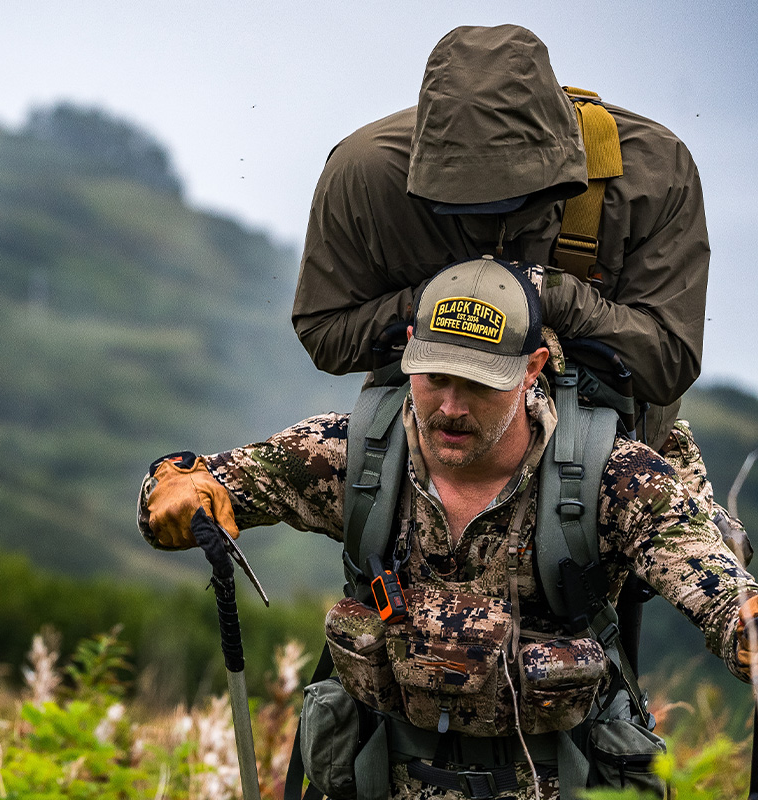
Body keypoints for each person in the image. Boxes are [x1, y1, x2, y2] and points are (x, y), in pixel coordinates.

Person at [139, 258, 758, 799]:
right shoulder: (352, 457)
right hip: (384, 777)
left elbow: (722, 590)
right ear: (410, 350)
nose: (451, 407)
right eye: (435, 377)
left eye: (479, 383)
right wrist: (174, 491)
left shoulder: (611, 479)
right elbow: (198, 482)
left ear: (531, 368)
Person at [292, 24, 704, 456]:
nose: (491, 217)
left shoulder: (651, 173)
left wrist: (553, 296)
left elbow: (669, 363)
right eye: (463, 205)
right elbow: (325, 332)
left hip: (610, 455)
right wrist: (440, 301)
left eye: (516, 199)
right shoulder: (367, 176)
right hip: (430, 449)